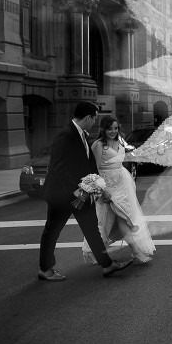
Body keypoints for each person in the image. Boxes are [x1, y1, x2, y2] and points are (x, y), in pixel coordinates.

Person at [38, 101, 133, 281]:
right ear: (88, 117)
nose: (94, 122)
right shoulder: (66, 135)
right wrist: (78, 188)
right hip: (62, 195)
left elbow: (87, 165)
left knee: (91, 229)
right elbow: (58, 168)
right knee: (52, 231)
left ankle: (107, 265)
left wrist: (99, 188)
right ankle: (45, 269)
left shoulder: (81, 134)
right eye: (94, 118)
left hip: (81, 194)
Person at [82, 115, 155, 265]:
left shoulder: (120, 141)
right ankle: (93, 251)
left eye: (116, 128)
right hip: (106, 187)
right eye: (110, 128)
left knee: (123, 218)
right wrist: (102, 191)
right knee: (103, 222)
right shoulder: (98, 145)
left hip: (122, 186)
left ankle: (136, 252)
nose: (113, 131)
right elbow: (94, 170)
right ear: (103, 129)